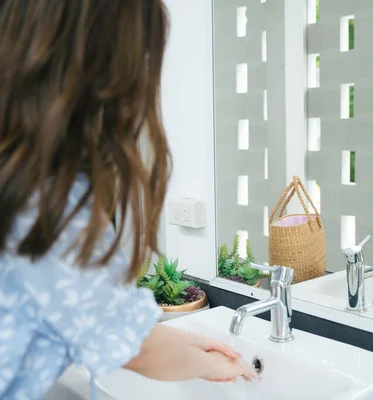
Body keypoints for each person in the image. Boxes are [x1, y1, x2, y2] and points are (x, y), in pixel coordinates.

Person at [0, 1, 256, 399]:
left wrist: (189, 347)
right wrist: (215, 365)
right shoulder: (49, 205)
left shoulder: (18, 174)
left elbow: (107, 320)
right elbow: (137, 348)